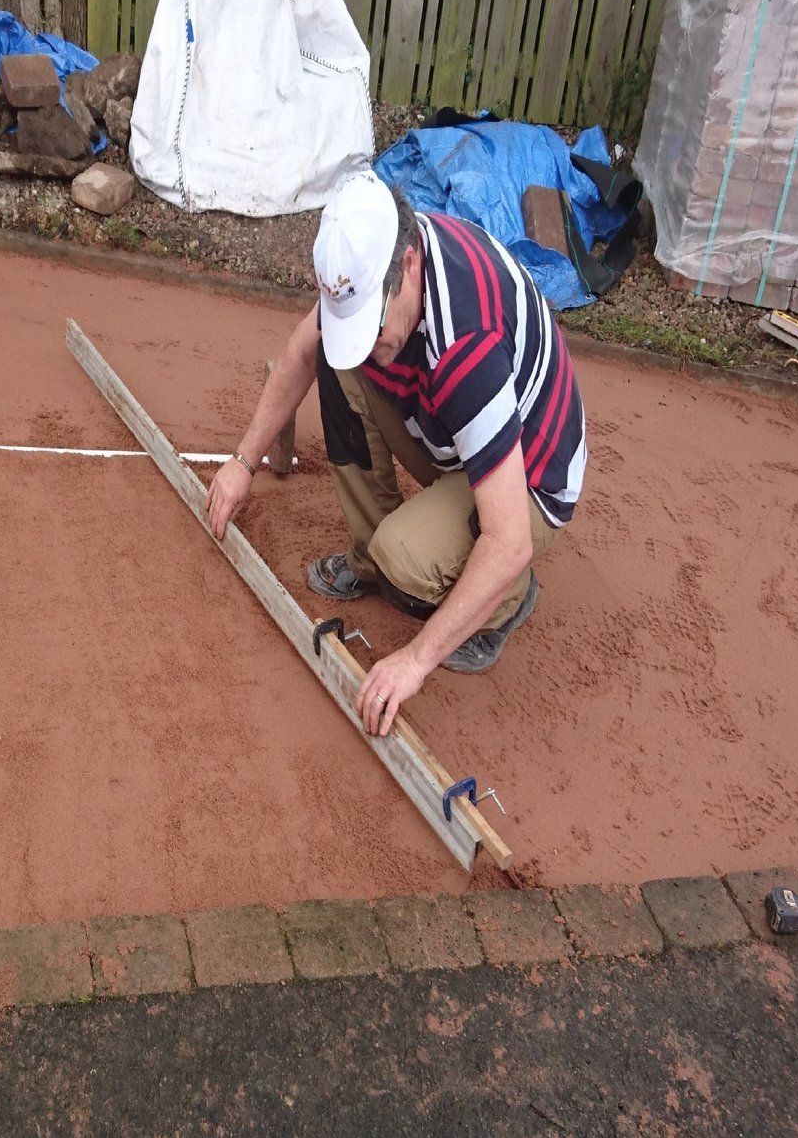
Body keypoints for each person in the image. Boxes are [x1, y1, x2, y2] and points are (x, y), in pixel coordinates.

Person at [205, 172, 586, 735]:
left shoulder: (464, 345)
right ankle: (369, 557)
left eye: (373, 326)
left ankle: (507, 601)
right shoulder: (367, 264)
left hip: (529, 475)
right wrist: (242, 464)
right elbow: (300, 354)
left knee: (408, 565)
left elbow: (508, 539)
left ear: (408, 266)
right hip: (457, 432)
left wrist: (414, 660)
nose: (370, 341)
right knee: (340, 364)